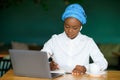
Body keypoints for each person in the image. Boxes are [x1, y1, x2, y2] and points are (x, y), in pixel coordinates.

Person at [41, 3, 108, 76]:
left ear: (80, 27)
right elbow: (39, 58)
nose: (70, 31)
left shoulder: (88, 42)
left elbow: (103, 63)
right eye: (67, 26)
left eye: (75, 28)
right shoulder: (55, 40)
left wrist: (85, 68)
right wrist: (47, 65)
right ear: (64, 24)